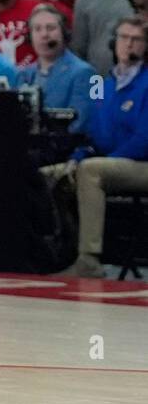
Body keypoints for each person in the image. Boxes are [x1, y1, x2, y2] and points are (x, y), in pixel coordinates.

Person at [58, 17, 148, 277]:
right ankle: (57, 253)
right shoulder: (100, 83)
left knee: (91, 170)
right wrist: (78, 155)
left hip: (140, 164)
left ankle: (89, 259)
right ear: (113, 42)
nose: (128, 44)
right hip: (106, 160)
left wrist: (106, 158)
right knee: (50, 176)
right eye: (123, 37)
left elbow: (144, 139)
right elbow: (91, 129)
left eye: (136, 39)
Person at [17, 5, 97, 132]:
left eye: (51, 28)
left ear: (64, 33)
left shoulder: (86, 73)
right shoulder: (24, 74)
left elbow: (82, 122)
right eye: (37, 29)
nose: (44, 35)